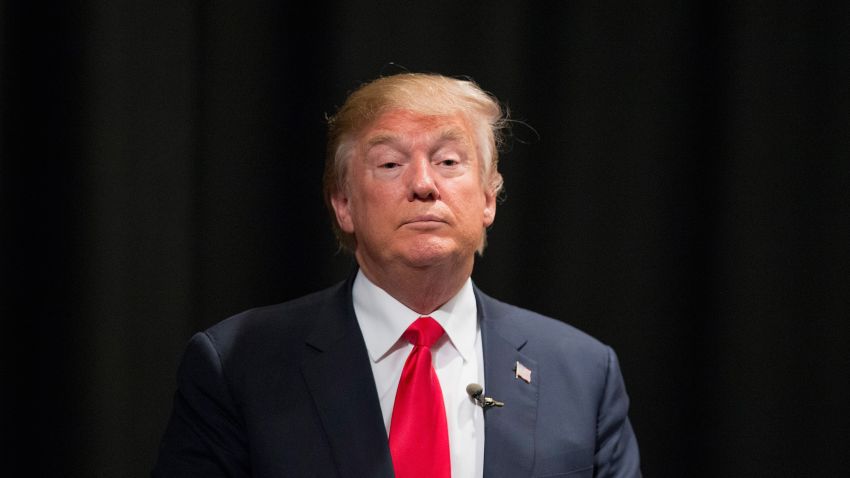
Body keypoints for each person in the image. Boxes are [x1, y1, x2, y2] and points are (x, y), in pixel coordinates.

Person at [153, 72, 641, 477]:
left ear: (488, 198)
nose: (424, 185)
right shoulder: (238, 366)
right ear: (343, 204)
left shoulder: (582, 373)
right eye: (390, 163)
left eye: (449, 161)